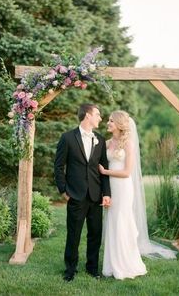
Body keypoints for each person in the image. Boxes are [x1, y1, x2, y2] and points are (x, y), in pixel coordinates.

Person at [99, 110, 176, 280]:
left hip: (123, 188)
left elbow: (127, 172)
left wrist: (105, 171)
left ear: (119, 124)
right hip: (110, 188)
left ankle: (126, 264)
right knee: (112, 223)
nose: (108, 123)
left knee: (122, 222)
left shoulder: (128, 144)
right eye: (108, 120)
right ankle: (111, 265)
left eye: (111, 120)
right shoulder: (107, 143)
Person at [54, 103, 111, 282]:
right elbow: (58, 166)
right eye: (98, 114)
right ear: (87, 115)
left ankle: (92, 268)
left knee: (95, 234)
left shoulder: (100, 140)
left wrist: (106, 193)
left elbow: (104, 169)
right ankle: (70, 269)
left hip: (95, 195)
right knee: (74, 234)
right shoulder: (68, 138)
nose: (100, 118)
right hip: (76, 195)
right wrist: (64, 190)